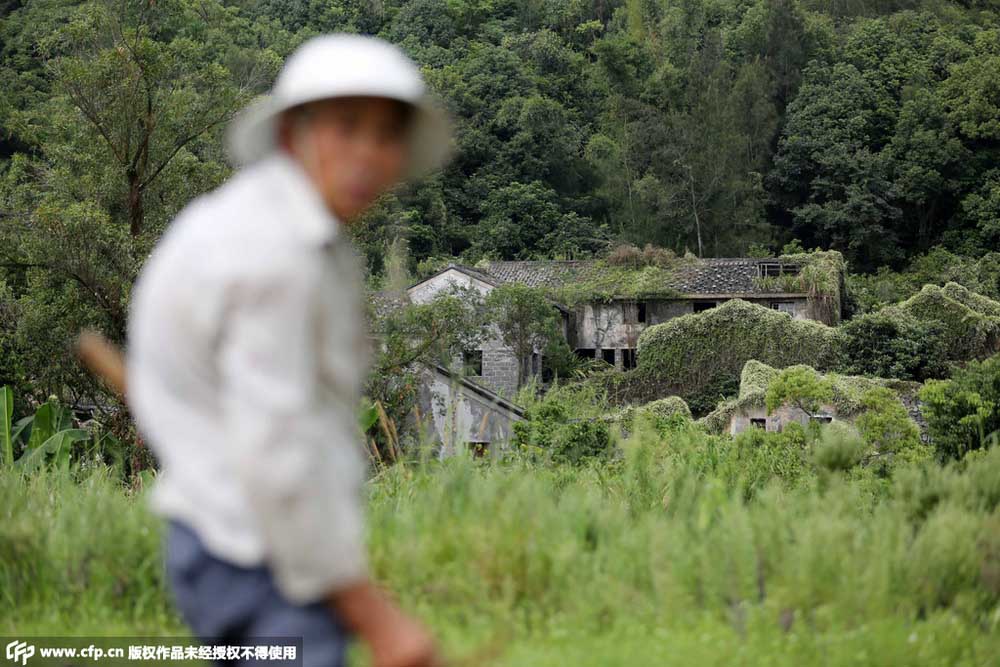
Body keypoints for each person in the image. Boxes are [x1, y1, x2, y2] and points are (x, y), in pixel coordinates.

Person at [126, 34, 452, 667]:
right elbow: (278, 456)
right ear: (290, 136)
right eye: (345, 127)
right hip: (252, 554)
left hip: (249, 546)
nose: (367, 154)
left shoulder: (283, 231)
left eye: (386, 135)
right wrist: (377, 618)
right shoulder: (272, 253)